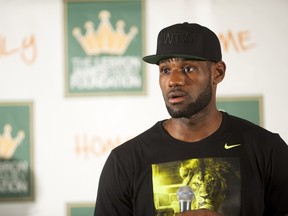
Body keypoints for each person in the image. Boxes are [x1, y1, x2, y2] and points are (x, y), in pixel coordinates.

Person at [93, 22, 288, 216]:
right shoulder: (125, 161)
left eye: (188, 69)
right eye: (165, 70)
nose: (173, 81)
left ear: (217, 73)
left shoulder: (267, 149)